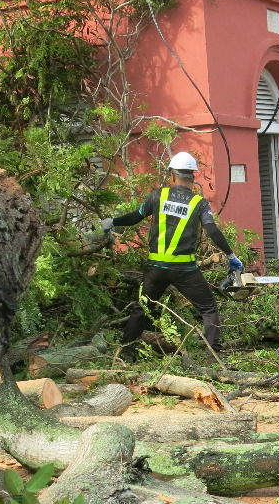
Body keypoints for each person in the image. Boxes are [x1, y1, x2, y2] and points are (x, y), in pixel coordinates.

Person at [103, 151, 242, 361]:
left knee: (143, 308)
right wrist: (231, 255)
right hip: (185, 271)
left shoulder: (157, 195)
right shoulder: (199, 203)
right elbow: (212, 231)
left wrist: (112, 221)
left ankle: (125, 353)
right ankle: (213, 356)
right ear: (193, 177)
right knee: (208, 308)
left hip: (156, 268)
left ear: (172, 175)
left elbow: (134, 218)